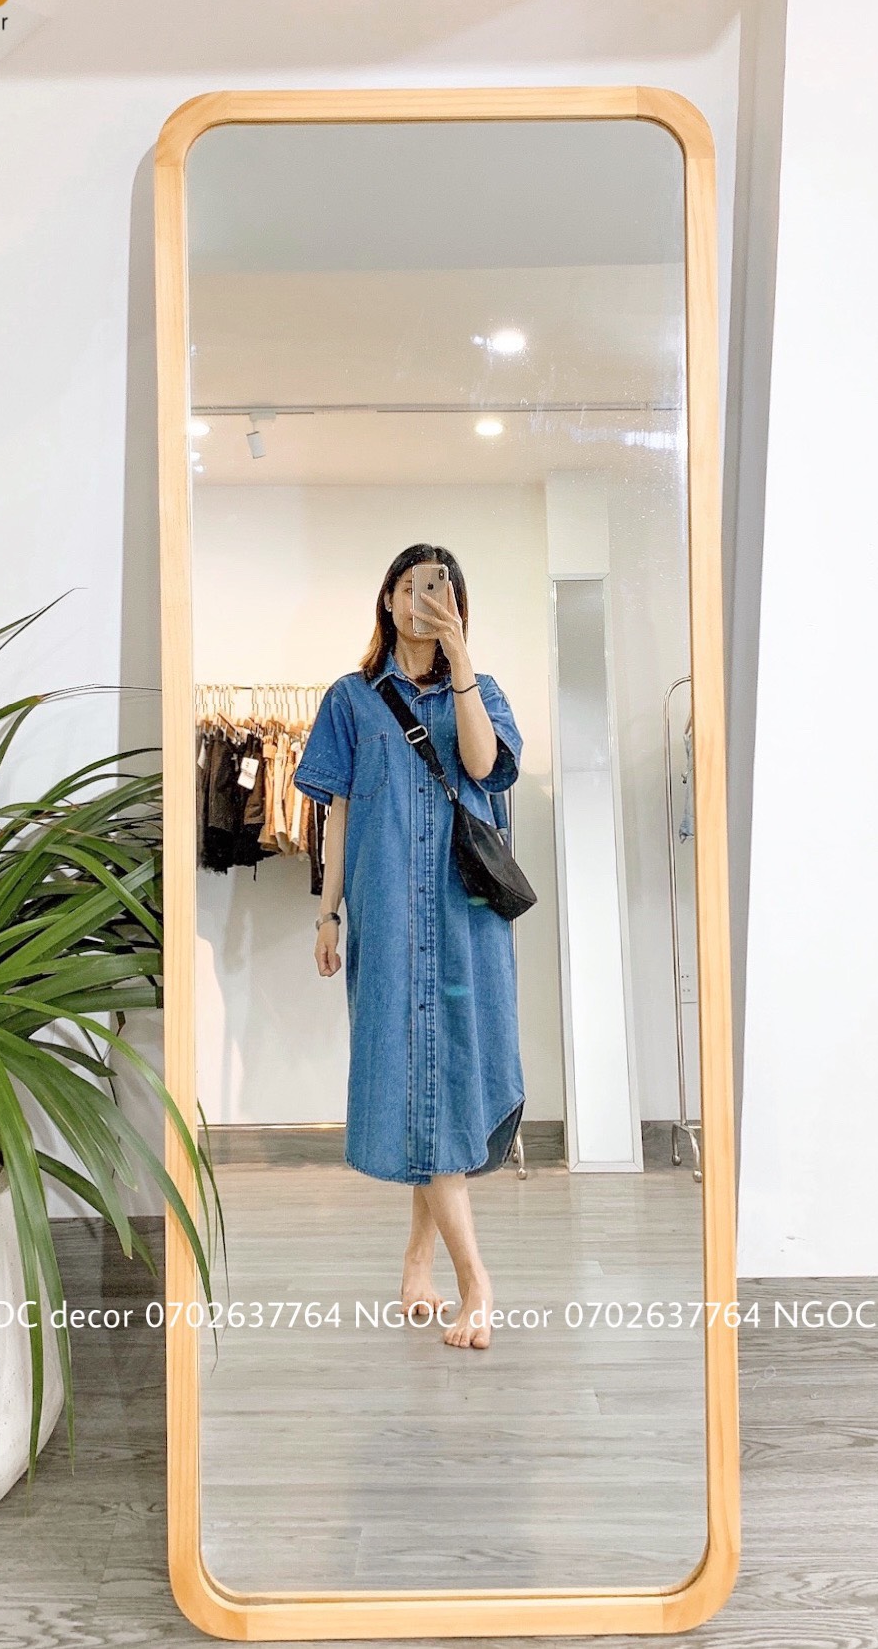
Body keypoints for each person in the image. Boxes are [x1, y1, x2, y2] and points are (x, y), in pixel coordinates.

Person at [292, 544, 525, 1351]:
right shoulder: (349, 699)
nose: (422, 600)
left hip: (466, 924)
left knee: (446, 1081)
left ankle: (436, 1271)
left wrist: (460, 663)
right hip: (390, 924)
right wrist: (327, 914)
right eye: (410, 587)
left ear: (456, 604)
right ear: (387, 601)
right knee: (423, 1079)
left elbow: (481, 764)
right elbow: (336, 815)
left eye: (439, 590)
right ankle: (464, 1278)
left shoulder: (483, 691)